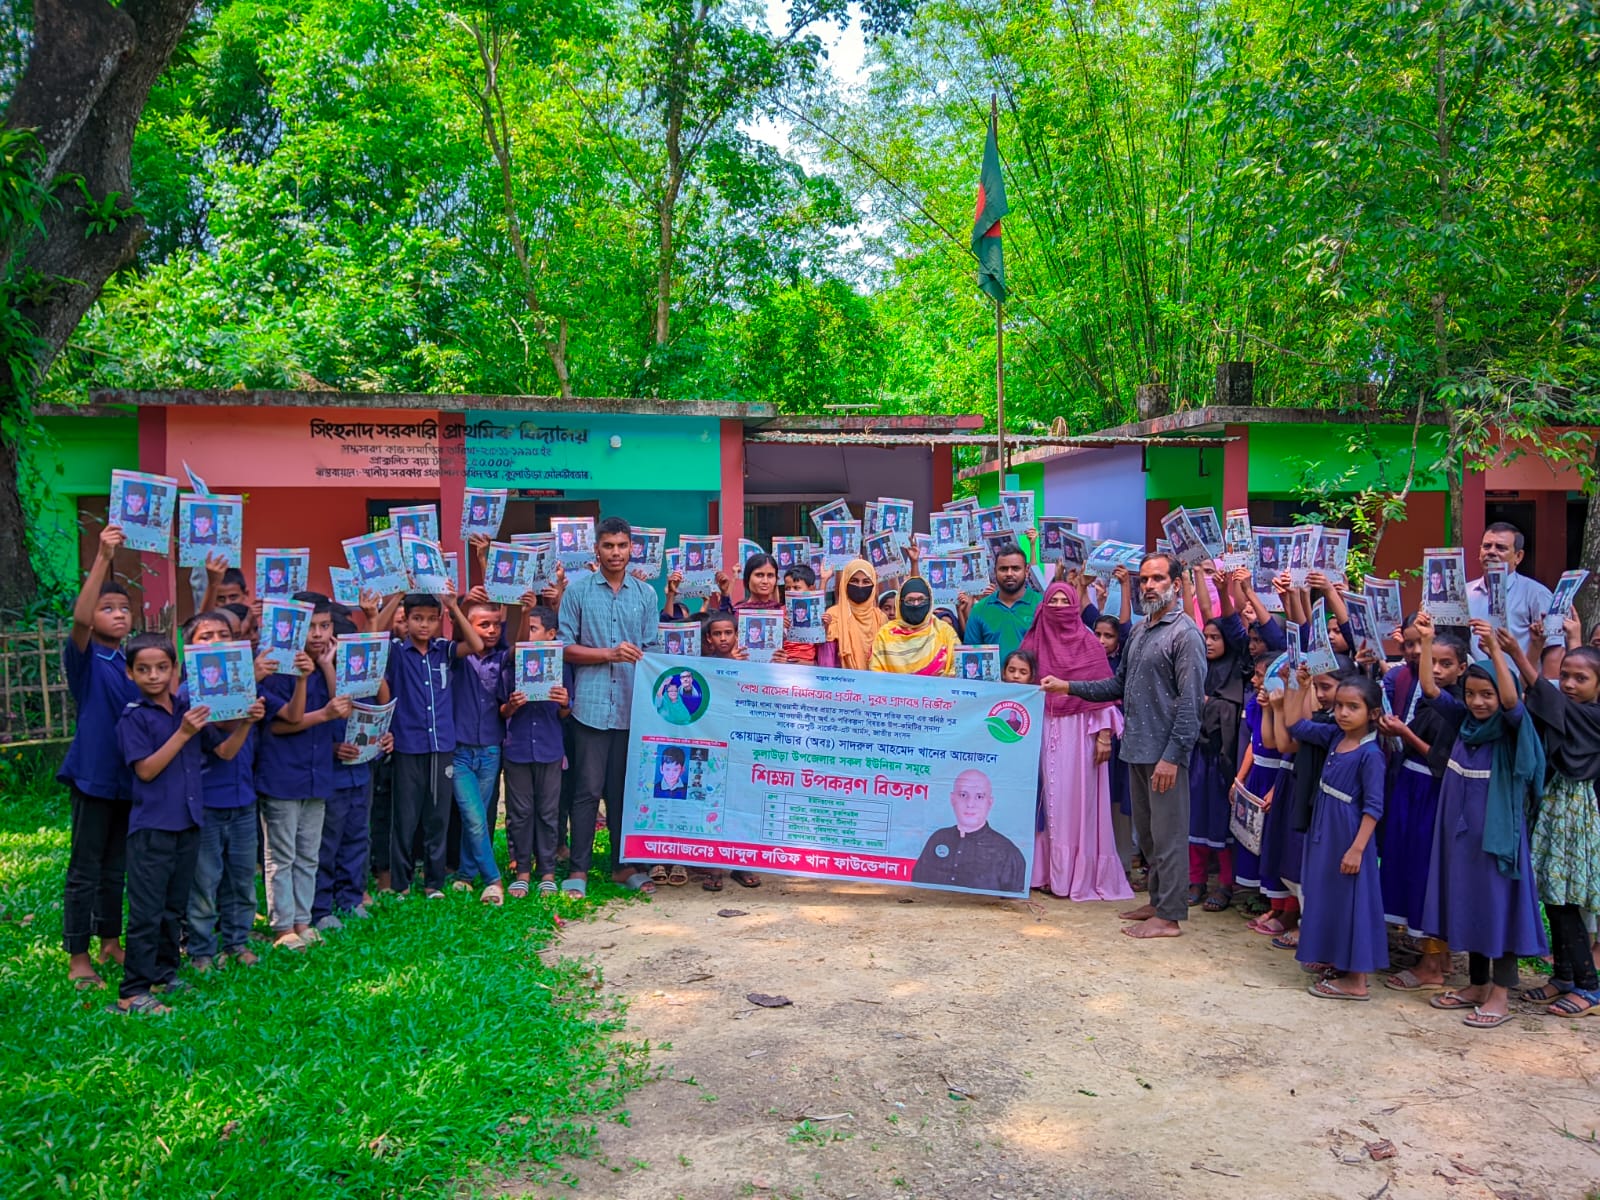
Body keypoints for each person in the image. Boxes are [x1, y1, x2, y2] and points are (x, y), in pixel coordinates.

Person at [1041, 554, 1206, 939]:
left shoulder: (1185, 634)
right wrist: (1068, 686)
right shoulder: (1142, 632)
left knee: (1169, 834)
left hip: (1165, 754)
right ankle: (1158, 901)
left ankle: (1169, 917)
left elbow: (1191, 702)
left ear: (1176, 584)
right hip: (1135, 748)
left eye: (1158, 579)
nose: (1149, 586)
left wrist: (1173, 756)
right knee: (1148, 834)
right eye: (1144, 579)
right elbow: (1116, 687)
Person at [1417, 622, 1548, 1028]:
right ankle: (1475, 984)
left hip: (1496, 841)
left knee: (1498, 910)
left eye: (1485, 694)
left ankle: (1501, 994)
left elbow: (1511, 701)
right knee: (1469, 905)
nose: (1477, 702)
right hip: (1461, 839)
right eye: (1472, 694)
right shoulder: (1464, 722)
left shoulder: (1508, 728)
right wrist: (1424, 642)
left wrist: (1494, 650)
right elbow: (1430, 690)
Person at [109, 634, 218, 1013]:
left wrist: (245, 724)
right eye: (143, 669)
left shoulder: (185, 708)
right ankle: (133, 991)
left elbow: (220, 750)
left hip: (187, 822)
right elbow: (147, 770)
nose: (153, 676)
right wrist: (183, 733)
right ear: (130, 672)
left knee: (174, 907)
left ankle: (165, 974)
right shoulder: (134, 717)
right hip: (153, 826)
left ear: (175, 670)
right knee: (147, 911)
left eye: (162, 667)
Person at [559, 516, 662, 897]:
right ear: (596, 550)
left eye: (621, 546)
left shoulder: (646, 595)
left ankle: (622, 867)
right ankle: (579, 870)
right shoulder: (578, 592)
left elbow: (653, 651)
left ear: (632, 547)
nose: (615, 553)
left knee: (622, 792)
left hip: (631, 708)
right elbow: (564, 647)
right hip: (589, 706)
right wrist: (608, 653)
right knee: (586, 791)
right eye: (608, 546)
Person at [1501, 630, 1600, 1016]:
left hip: (1573, 816)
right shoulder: (1575, 706)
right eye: (1567, 676)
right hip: (1553, 809)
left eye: (1581, 679)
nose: (1570, 685)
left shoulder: (1593, 715)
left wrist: (1517, 654)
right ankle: (1564, 977)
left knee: (1567, 902)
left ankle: (1590, 987)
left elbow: (1549, 699)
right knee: (1552, 899)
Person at [60, 525, 138, 990]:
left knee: (115, 868)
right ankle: (77, 955)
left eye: (124, 609)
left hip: (126, 780)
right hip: (91, 777)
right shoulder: (86, 660)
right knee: (84, 869)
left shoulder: (132, 667)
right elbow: (81, 620)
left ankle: (111, 941)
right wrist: (104, 557)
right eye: (108, 608)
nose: (117, 615)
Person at [1020, 582, 1129, 902]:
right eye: (1050, 601)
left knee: (1074, 803)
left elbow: (1103, 694)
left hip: (1080, 733)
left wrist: (1105, 737)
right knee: (1044, 802)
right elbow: (1019, 679)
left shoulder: (1088, 644)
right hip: (1041, 729)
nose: (1056, 607)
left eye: (1063, 601)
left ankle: (1073, 876)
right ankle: (1043, 873)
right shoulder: (1033, 640)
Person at [1283, 669, 1388, 1000]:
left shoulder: (1371, 754)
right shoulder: (1334, 737)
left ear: (1372, 713)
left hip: (1348, 833)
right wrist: (1299, 688)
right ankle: (1337, 960)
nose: (1343, 713)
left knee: (1353, 901)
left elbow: (1373, 807)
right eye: (1340, 706)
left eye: (1352, 707)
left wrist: (1357, 849)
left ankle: (1356, 980)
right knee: (1328, 895)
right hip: (1326, 828)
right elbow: (1296, 726)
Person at [1375, 620, 1469, 990]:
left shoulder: (1458, 703)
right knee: (1410, 866)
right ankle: (1437, 956)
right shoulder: (1425, 693)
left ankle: (1431, 964)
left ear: (1462, 667)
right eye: (1435, 662)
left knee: (1425, 872)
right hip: (1411, 785)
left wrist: (1404, 733)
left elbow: (1441, 759)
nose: (1438, 671)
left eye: (1447, 664)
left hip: (1430, 791)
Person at [378, 587, 485, 900]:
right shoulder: (397, 652)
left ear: (439, 621)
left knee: (437, 816)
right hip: (408, 746)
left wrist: (453, 606)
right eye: (416, 619)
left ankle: (433, 883)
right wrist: (395, 597)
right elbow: (374, 636)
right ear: (407, 620)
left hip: (442, 746)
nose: (423, 625)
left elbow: (476, 644)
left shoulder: (443, 650)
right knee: (406, 818)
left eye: (430, 619)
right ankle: (400, 883)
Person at [183, 612, 270, 971]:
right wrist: (249, 693)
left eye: (225, 634)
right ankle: (202, 950)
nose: (217, 641)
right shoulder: (188, 691)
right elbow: (223, 747)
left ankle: (238, 941)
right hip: (206, 800)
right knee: (204, 882)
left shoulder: (250, 686)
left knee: (241, 877)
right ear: (190, 646)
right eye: (207, 636)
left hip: (243, 797)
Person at [256, 603, 344, 949]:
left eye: (325, 626)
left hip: (317, 772)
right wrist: (307, 683)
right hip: (282, 775)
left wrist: (324, 666)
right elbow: (285, 722)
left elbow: (340, 708)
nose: (320, 635)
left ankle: (303, 920)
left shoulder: (324, 666)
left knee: (309, 852)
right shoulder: (275, 669)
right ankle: (282, 928)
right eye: (312, 628)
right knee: (281, 855)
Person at [315, 608, 392, 932]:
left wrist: (384, 737)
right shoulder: (316, 679)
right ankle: (321, 906)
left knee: (357, 836)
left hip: (361, 770)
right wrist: (332, 748)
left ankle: (351, 897)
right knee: (326, 842)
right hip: (330, 774)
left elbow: (379, 704)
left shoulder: (361, 679)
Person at [1186, 567, 1250, 912]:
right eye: (1205, 637)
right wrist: (1192, 576)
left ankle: (1225, 885)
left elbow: (1226, 620)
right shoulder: (1197, 667)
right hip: (1197, 752)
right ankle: (1195, 880)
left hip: (1224, 754)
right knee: (1195, 816)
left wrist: (1226, 592)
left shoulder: (1236, 663)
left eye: (1215, 638)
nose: (1209, 642)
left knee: (1222, 820)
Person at [499, 604, 571, 898]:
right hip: (517, 749)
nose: (528, 635)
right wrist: (512, 706)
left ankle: (548, 872)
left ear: (550, 634)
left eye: (533, 629)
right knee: (520, 812)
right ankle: (523, 871)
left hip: (550, 748)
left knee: (548, 811)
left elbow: (566, 713)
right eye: (525, 629)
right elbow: (501, 710)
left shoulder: (561, 666)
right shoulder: (512, 665)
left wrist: (564, 702)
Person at [449, 597, 510, 905]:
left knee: (481, 817)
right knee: (472, 815)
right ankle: (493, 880)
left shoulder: (502, 659)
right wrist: (455, 607)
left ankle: (464, 874)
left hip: (490, 749)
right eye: (483, 624)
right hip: (458, 753)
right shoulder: (457, 658)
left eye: (496, 624)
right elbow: (460, 637)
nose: (491, 630)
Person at [911, 770, 1026, 893]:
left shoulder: (1008, 853)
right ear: (952, 799)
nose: (970, 804)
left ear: (990, 803)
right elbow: (918, 885)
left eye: (979, 797)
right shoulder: (938, 838)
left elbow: (1010, 902)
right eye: (963, 795)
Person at [1466, 522, 1554, 656]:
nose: (1491, 552)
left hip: (1517, 676)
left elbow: (1553, 648)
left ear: (1518, 557)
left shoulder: (1536, 594)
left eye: (1501, 548)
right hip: (1473, 675)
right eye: (1487, 546)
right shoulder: (1466, 592)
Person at [962, 542, 1040, 660]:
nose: (1009, 574)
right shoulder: (979, 610)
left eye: (1015, 568)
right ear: (995, 571)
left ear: (1027, 570)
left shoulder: (1041, 605)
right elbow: (971, 655)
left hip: (1034, 678)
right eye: (1003, 569)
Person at [870, 578, 958, 675]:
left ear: (930, 601)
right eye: (910, 600)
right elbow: (876, 673)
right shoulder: (885, 634)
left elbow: (956, 668)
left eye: (921, 600)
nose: (916, 605)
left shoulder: (945, 631)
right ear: (900, 603)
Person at [822, 558, 887, 670]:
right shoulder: (833, 615)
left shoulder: (880, 618)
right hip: (842, 683)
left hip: (875, 684)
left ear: (873, 585)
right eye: (854, 581)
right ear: (845, 583)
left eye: (866, 581)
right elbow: (827, 660)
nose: (860, 586)